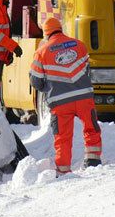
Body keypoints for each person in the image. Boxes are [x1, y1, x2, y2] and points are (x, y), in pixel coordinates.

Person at [30, 17, 102, 175]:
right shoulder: (79, 44)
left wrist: (48, 88)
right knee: (91, 128)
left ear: (46, 33)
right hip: (84, 97)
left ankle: (63, 170)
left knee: (62, 137)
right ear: (60, 29)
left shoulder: (41, 51)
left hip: (60, 102)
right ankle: (93, 160)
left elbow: (36, 81)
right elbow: (87, 70)